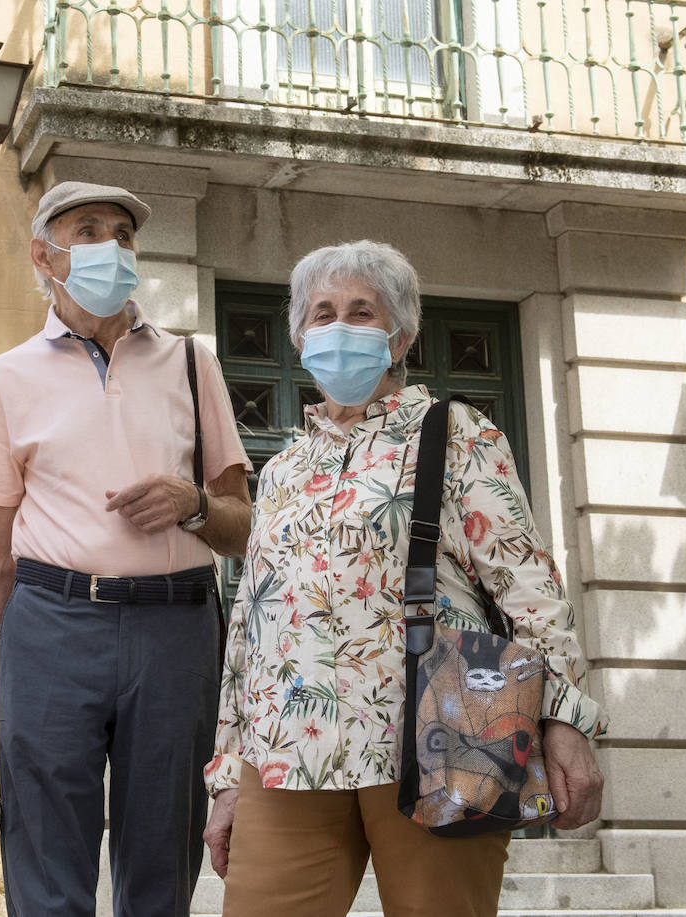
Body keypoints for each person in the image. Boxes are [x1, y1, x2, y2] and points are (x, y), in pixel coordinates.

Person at [201, 241, 606, 917]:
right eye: (323, 312)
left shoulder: (458, 435)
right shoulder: (280, 473)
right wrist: (227, 776)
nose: (340, 326)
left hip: (447, 733)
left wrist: (565, 722)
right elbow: (249, 630)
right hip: (288, 754)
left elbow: (530, 590)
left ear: (401, 335)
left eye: (362, 312)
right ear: (300, 336)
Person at [0, 181, 254, 916]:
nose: (112, 247)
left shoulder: (191, 362)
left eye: (124, 233)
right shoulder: (6, 379)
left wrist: (195, 504)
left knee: (160, 867)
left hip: (176, 629)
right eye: (90, 230)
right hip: (51, 624)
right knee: (46, 862)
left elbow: (243, 525)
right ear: (44, 254)